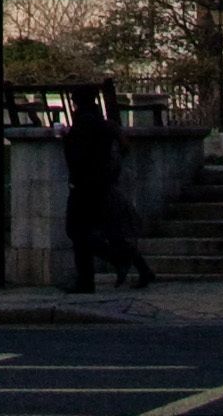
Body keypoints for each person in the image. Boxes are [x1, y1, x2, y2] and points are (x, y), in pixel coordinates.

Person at [58, 86, 152, 292]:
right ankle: (139, 268)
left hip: (85, 186)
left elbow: (76, 158)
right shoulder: (102, 123)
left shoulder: (83, 124)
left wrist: (65, 139)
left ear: (76, 102)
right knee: (110, 231)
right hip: (103, 184)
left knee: (77, 231)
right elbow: (121, 149)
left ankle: (96, 274)